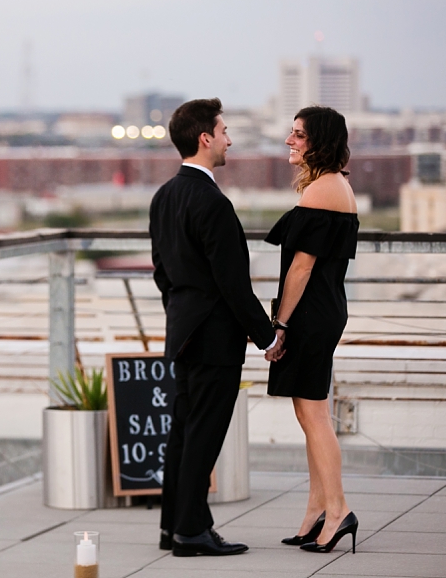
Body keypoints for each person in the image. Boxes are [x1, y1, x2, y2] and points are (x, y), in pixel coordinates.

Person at [150, 98, 283, 558]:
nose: (229, 139)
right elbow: (233, 284)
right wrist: (268, 336)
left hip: (182, 332)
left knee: (183, 433)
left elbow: (162, 273)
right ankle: (191, 531)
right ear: (205, 138)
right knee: (203, 436)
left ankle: (173, 528)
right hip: (213, 339)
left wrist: (181, 312)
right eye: (224, 131)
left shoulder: (164, 196)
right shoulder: (214, 203)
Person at [266, 106, 360, 554]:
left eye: (299, 135)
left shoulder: (322, 190)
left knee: (315, 415)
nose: (290, 140)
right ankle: (315, 509)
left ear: (318, 141)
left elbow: (301, 268)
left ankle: (338, 510)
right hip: (323, 310)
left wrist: (279, 323)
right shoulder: (335, 185)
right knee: (309, 415)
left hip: (310, 313)